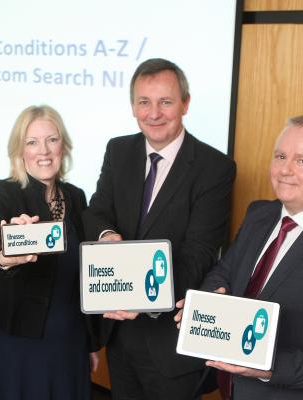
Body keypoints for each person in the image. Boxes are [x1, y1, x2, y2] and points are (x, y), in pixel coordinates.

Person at [83, 58, 236, 399]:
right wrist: (107, 237)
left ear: (185, 103)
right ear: (133, 106)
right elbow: (97, 212)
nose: (154, 113)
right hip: (119, 334)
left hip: (171, 344)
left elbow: (198, 254)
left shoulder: (215, 168)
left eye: (165, 101)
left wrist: (146, 297)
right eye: (144, 102)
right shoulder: (118, 150)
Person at [0, 105, 99, 400]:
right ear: (19, 151)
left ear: (63, 146)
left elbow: (88, 274)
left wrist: (92, 341)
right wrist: (6, 255)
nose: (44, 150)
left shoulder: (77, 197)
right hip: (19, 339)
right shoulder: (1, 192)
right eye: (32, 142)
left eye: (52, 140)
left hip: (70, 339)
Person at [175, 115, 303, 399]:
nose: (285, 169)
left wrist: (266, 367)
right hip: (229, 388)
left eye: (301, 161)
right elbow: (223, 272)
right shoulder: (260, 214)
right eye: (280, 156)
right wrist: (204, 309)